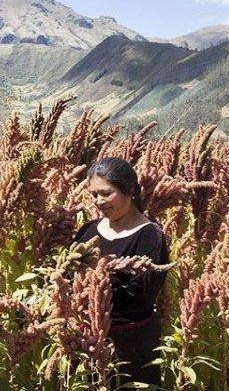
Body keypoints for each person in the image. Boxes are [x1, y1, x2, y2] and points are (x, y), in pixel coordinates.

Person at [73, 157, 169, 388]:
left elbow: (140, 296)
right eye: (94, 195)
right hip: (87, 344)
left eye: (106, 193)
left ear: (129, 191)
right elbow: (68, 274)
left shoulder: (149, 236)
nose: (99, 201)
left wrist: (95, 291)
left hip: (131, 347)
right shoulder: (87, 232)